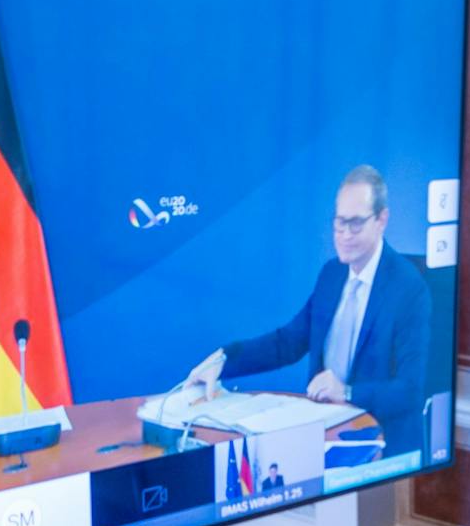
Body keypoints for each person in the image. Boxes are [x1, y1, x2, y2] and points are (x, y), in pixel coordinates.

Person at [184, 165, 431, 456]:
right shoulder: (332, 274)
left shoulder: (408, 288)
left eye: (355, 224)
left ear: (381, 220)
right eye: (339, 223)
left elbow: (411, 390)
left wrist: (347, 392)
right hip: (326, 434)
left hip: (383, 447)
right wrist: (224, 360)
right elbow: (288, 343)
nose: (344, 235)